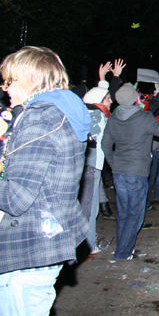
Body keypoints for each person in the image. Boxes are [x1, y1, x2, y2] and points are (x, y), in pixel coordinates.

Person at [0, 46, 91, 315]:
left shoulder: (40, 117)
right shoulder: (62, 111)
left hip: (28, 247)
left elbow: (16, 197)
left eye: (9, 80)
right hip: (46, 238)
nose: (5, 88)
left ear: (29, 79)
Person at [102, 83, 159, 261]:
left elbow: (105, 145)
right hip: (136, 173)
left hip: (119, 173)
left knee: (124, 213)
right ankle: (123, 252)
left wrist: (114, 164)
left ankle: (123, 249)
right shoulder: (143, 117)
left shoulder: (113, 119)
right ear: (134, 99)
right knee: (135, 215)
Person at [81, 80, 114, 256]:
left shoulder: (88, 112)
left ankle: (87, 241)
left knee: (87, 205)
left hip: (88, 164)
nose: (110, 101)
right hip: (92, 166)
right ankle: (89, 245)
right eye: (107, 99)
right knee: (91, 207)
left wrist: (103, 80)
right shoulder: (98, 116)